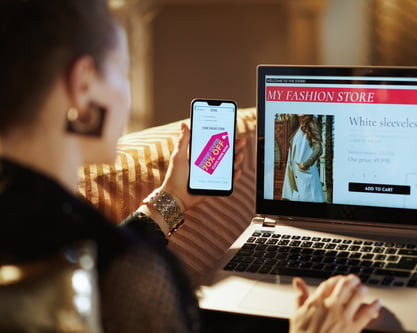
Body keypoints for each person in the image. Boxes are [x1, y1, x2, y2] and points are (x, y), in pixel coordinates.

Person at [0, 1, 381, 332]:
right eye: (123, 70)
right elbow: (108, 269)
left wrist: (171, 199)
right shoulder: (133, 275)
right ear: (83, 85)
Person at [282, 114, 325, 202]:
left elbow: (318, 148)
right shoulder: (296, 125)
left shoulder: (311, 122)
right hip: (296, 179)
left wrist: (306, 164)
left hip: (306, 176)